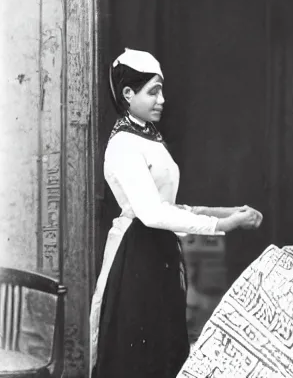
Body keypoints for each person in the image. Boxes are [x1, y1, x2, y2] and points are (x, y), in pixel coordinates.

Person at [89, 48, 263, 378]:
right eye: (153, 91)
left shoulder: (147, 136)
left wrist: (229, 212)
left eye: (162, 90)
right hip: (135, 254)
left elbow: (168, 206)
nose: (162, 99)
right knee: (139, 350)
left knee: (163, 345)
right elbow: (152, 214)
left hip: (157, 252)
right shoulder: (124, 144)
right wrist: (223, 223)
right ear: (128, 94)